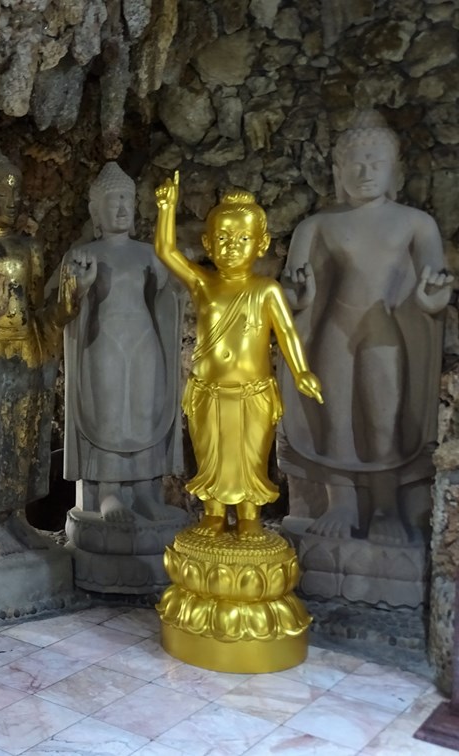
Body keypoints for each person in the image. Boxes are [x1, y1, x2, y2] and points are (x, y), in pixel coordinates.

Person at [279, 110, 452, 544]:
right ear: (338, 172)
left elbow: (436, 283)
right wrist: (299, 293)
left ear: (396, 170)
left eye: (376, 163)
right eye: (355, 164)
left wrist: (432, 296)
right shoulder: (316, 225)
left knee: (383, 420)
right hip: (335, 328)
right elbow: (293, 290)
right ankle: (341, 503)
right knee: (335, 416)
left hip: (386, 329)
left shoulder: (415, 223)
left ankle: (386, 508)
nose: (366, 172)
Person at [0, 139, 92, 555]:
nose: (10, 202)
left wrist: (64, 306)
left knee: (23, 435)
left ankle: (16, 516)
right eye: (0, 195)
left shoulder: (31, 248)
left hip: (26, 350)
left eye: (15, 195)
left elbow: (36, 310)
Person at [154, 173, 323, 537]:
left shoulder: (267, 290)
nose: (232, 247)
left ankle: (249, 517)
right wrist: (166, 208)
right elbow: (166, 252)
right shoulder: (204, 284)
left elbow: (287, 334)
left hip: (253, 393)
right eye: (223, 239)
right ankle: (213, 514)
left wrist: (302, 372)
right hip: (208, 391)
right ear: (208, 244)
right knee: (211, 457)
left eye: (243, 239)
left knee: (250, 459)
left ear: (261, 244)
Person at [60, 162, 182, 519]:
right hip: (103, 343)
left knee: (144, 412)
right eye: (113, 200)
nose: (121, 207)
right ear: (96, 209)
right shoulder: (83, 254)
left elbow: (169, 297)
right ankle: (109, 492)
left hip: (145, 342)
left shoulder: (149, 252)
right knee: (109, 414)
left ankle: (145, 491)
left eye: (127, 199)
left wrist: (167, 281)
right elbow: (64, 309)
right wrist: (79, 285)